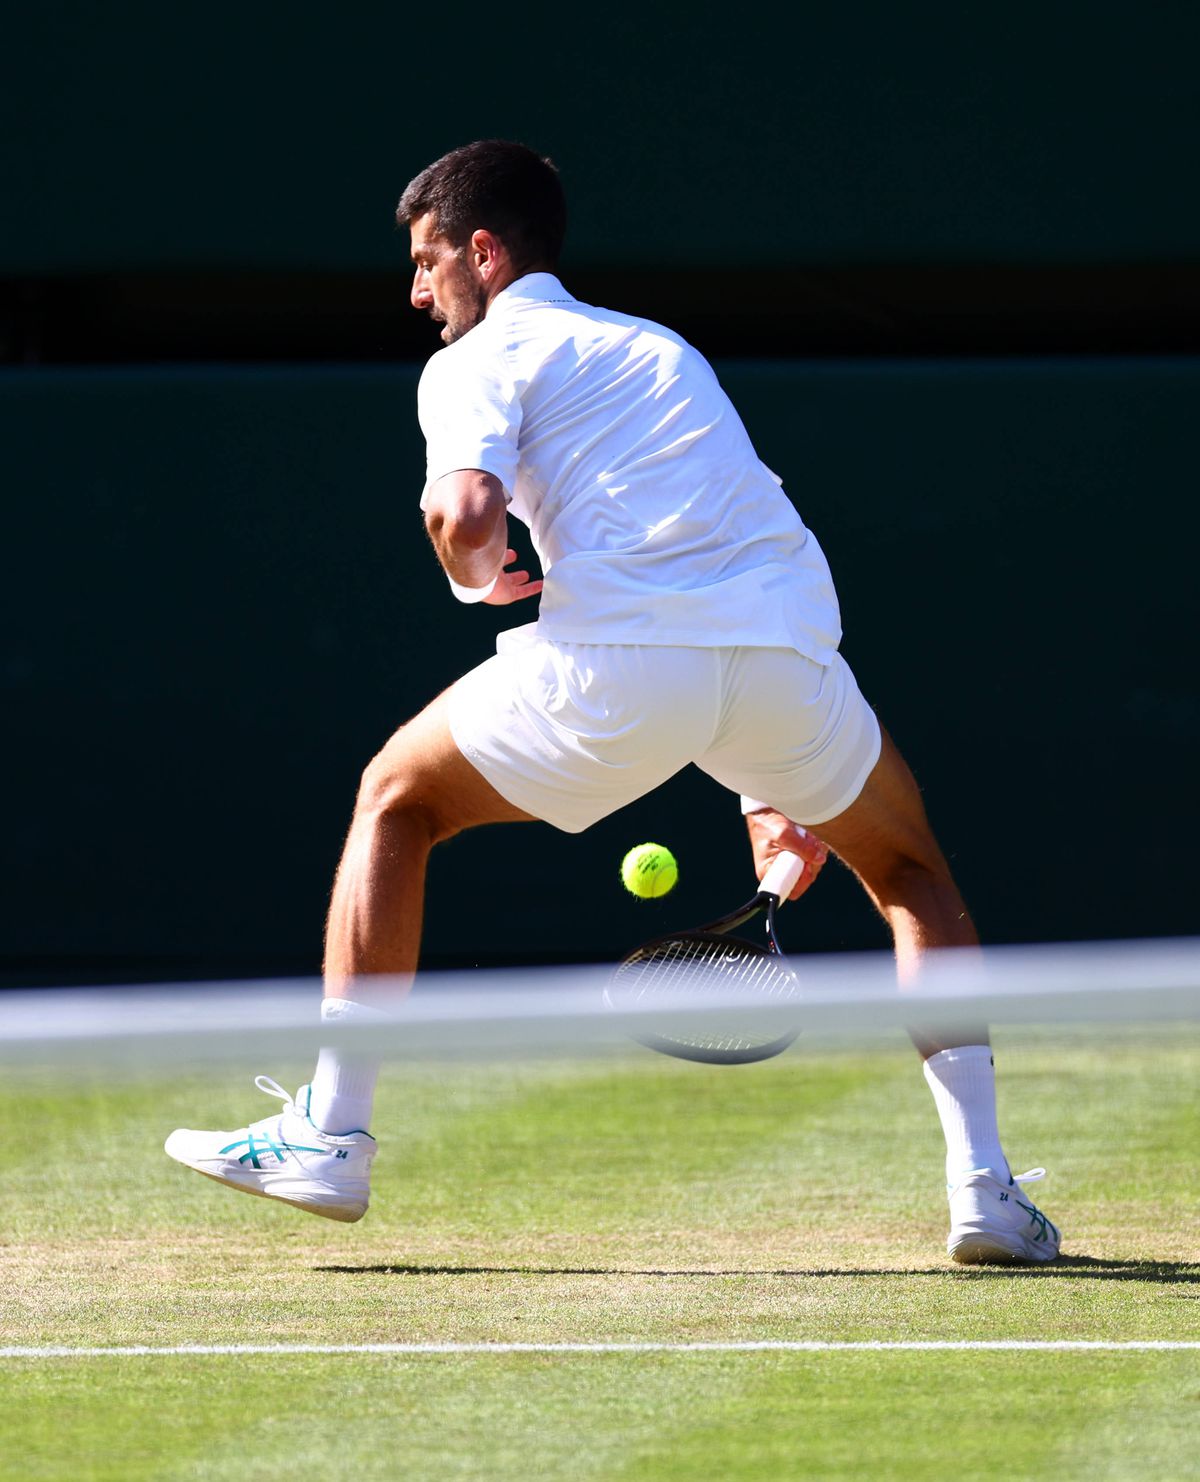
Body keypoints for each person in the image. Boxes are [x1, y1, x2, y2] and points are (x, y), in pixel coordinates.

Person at [165, 140, 1059, 1264]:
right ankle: (983, 1188)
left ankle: (329, 1133)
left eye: (428, 259)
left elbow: (466, 508)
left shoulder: (475, 360)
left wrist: (475, 578)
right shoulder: (661, 350)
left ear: (483, 253)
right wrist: (759, 784)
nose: (416, 288)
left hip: (618, 670)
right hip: (787, 662)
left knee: (394, 798)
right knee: (912, 872)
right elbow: (723, 558)